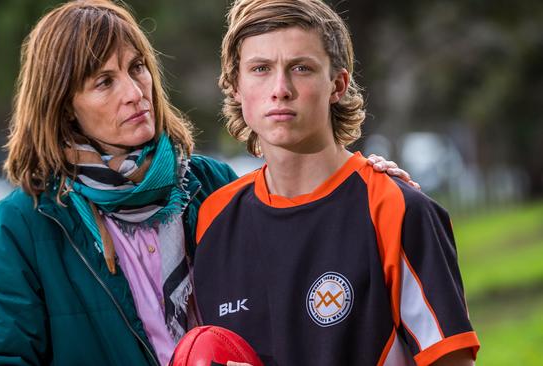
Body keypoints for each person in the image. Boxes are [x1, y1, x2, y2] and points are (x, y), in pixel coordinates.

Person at [0, 1, 414, 365]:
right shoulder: (29, 221)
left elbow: (296, 266)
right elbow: (0, 358)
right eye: (104, 81)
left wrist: (361, 180)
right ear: (65, 107)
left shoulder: (210, 184)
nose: (134, 92)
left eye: (137, 67)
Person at [194, 0, 480, 365]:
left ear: (337, 84)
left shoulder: (395, 209)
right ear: (235, 86)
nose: (280, 88)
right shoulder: (213, 219)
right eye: (261, 69)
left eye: (301, 68)